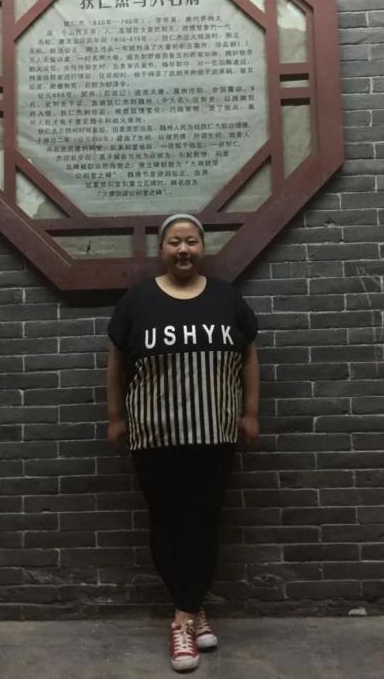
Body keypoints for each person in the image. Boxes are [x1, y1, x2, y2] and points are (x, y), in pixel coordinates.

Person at [106, 213, 260, 673]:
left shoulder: (227, 299)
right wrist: (115, 417)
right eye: (174, 242)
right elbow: (116, 363)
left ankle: (183, 619)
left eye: (191, 241)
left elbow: (249, 357)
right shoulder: (138, 301)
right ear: (162, 250)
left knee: (204, 523)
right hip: (153, 436)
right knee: (166, 524)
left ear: (202, 247)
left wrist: (250, 413)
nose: (183, 250)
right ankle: (192, 610)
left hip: (214, 434)